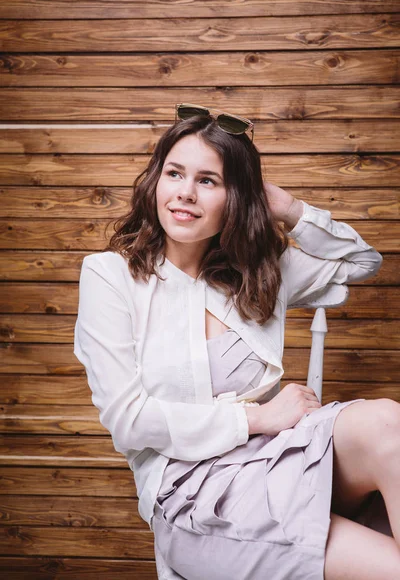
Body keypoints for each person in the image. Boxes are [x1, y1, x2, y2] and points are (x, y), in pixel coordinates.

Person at [74, 104, 400, 580]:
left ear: (236, 196)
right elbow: (129, 421)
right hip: (194, 492)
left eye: (208, 180)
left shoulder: (261, 272)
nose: (185, 193)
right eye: (175, 173)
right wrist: (258, 417)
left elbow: (362, 262)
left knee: (388, 421)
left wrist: (288, 207)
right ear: (155, 181)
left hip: (277, 458)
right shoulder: (110, 277)